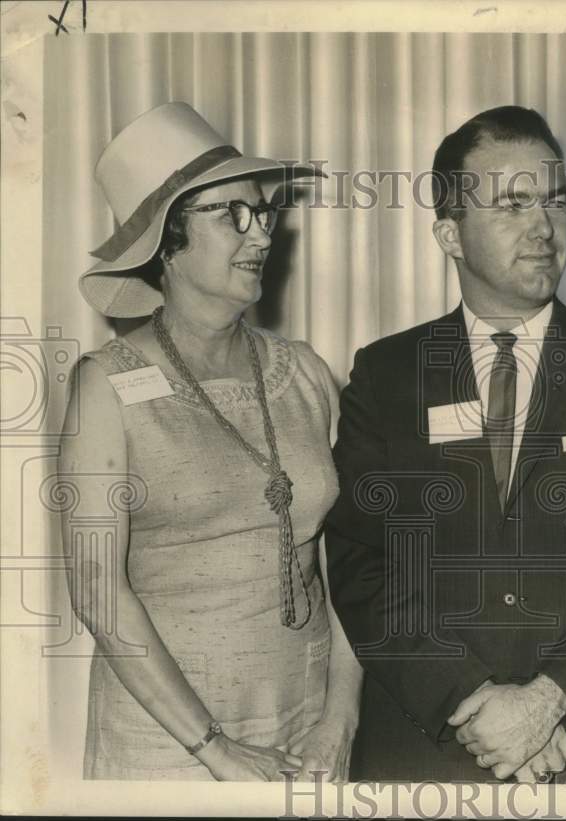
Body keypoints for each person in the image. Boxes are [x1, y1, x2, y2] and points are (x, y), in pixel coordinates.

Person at [325, 105, 566, 782]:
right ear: (450, 234)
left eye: (554, 201)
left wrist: (551, 701)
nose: (543, 228)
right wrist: (468, 700)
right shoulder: (385, 375)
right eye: (512, 205)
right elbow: (360, 564)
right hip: (428, 748)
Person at [61, 102, 362, 780]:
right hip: (168, 743)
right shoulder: (106, 387)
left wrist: (339, 717)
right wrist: (217, 750)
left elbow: (357, 561)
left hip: (305, 730)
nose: (262, 235)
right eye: (234, 215)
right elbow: (98, 594)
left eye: (264, 213)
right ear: (167, 242)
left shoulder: (306, 373)